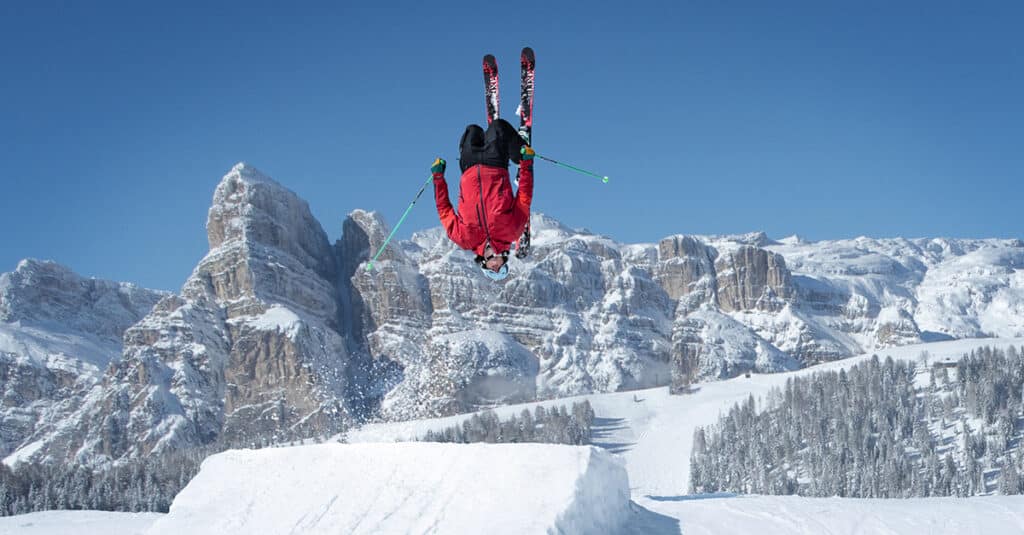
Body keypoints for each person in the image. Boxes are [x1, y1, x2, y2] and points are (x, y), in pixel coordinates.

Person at [432, 118, 535, 281]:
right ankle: (518, 150)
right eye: (502, 269)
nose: (496, 267)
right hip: (496, 164)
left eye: (492, 271)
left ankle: (487, 138)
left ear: (484, 264)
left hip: (469, 167)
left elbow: (444, 209)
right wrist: (526, 165)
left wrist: (438, 177)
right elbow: (524, 198)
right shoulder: (511, 232)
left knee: (471, 130)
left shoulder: (464, 239)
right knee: (498, 126)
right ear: (504, 259)